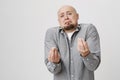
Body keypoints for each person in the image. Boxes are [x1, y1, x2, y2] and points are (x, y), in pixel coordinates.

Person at [44, 5, 101, 80]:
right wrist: (55, 63)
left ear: (77, 16)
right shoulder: (51, 33)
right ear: (59, 21)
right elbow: (53, 70)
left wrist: (86, 55)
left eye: (69, 14)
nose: (66, 17)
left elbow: (93, 66)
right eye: (62, 16)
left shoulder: (88, 29)